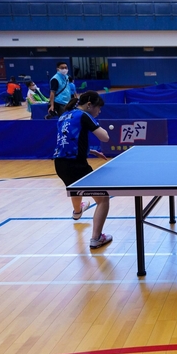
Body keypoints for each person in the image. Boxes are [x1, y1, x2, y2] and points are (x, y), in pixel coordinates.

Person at [53, 91, 112, 249]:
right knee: (103, 200)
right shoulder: (83, 115)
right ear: (89, 105)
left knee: (75, 188)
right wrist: (100, 127)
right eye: (98, 108)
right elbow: (105, 137)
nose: (99, 112)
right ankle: (96, 238)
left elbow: (69, 142)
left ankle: (77, 212)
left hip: (60, 164)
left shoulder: (64, 116)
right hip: (75, 165)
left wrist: (91, 151)